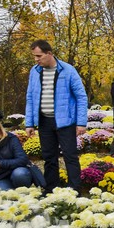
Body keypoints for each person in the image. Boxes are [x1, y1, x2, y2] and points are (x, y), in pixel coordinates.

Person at [25, 39, 88, 192]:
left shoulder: (68, 70)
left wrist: (81, 123)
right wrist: (29, 123)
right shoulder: (35, 71)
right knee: (49, 158)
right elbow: (30, 97)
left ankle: (74, 189)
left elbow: (81, 96)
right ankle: (50, 188)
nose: (36, 59)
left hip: (66, 122)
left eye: (39, 56)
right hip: (44, 122)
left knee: (70, 157)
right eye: (34, 56)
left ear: (49, 54)